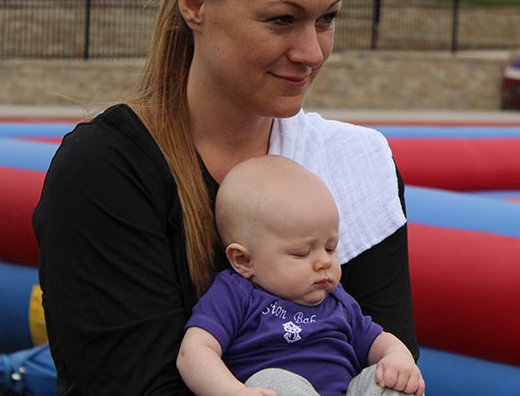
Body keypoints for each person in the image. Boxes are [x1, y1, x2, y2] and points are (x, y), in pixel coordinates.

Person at [32, 0, 418, 395]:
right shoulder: (107, 171)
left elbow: (390, 374)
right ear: (194, 4)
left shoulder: (356, 164)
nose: (312, 52)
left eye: (326, 19)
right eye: (282, 20)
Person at [177, 156, 424, 396]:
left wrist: (396, 358)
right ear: (244, 260)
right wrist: (234, 391)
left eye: (330, 248)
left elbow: (378, 341)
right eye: (302, 253)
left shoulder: (338, 302)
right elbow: (195, 352)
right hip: (271, 387)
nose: (324, 262)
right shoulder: (235, 294)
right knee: (273, 379)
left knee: (387, 382)